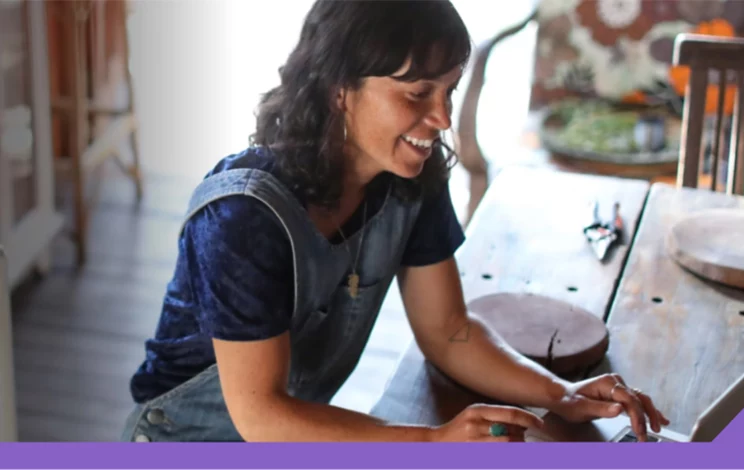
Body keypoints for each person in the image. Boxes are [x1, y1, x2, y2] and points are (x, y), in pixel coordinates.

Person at [120, 0, 669, 443]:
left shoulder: (409, 179)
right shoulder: (241, 218)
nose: (443, 118)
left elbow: (448, 330)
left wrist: (561, 395)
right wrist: (433, 441)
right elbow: (262, 417)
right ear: (339, 89)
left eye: (449, 90)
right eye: (418, 94)